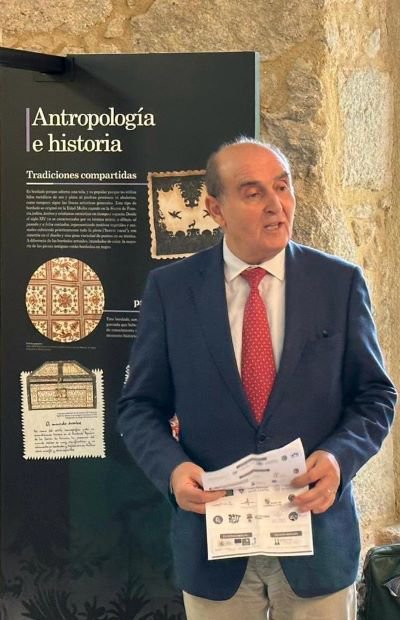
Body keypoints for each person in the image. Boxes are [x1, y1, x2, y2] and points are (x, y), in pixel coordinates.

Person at [117, 138, 396, 620]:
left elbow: (375, 396)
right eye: (253, 193)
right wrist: (173, 472)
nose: (275, 205)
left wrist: (339, 458)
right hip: (214, 546)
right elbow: (139, 407)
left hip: (316, 540)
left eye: (282, 187)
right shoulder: (171, 290)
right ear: (215, 208)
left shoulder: (339, 283)